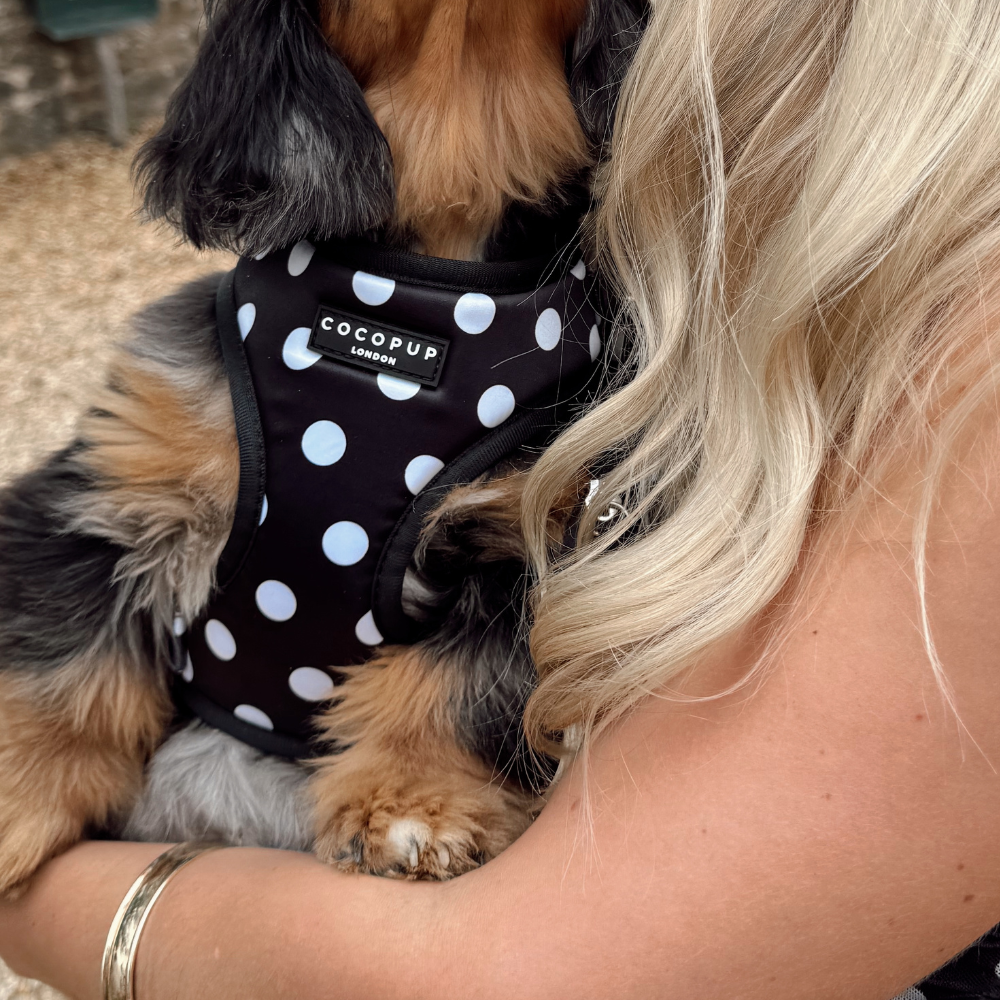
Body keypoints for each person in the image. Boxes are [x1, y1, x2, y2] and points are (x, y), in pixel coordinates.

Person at [4, 0, 1000, 996]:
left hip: (390, 918)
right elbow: (74, 538)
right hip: (178, 792)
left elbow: (561, 608)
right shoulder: (230, 351)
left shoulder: (596, 383)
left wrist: (439, 763)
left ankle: (423, 770)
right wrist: (48, 739)